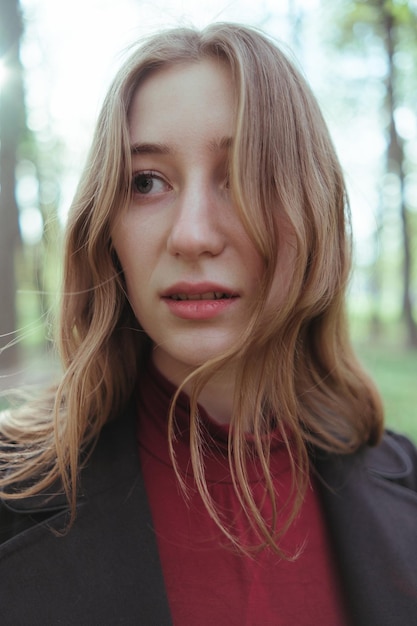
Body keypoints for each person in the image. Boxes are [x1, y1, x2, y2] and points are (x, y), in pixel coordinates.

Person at [0, 22, 416, 626]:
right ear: (106, 229)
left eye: (246, 174)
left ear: (313, 210)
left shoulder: (404, 487)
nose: (193, 235)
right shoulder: (11, 494)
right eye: (146, 182)